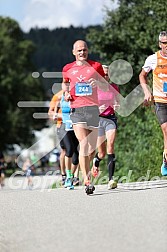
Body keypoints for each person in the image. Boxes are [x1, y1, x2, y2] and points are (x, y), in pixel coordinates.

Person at [62, 40, 108, 194]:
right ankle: (87, 181)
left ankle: (86, 173)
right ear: (74, 52)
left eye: (85, 50)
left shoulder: (96, 66)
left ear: (88, 51)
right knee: (84, 143)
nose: (82, 53)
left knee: (91, 148)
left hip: (93, 109)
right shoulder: (68, 68)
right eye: (79, 50)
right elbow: (65, 83)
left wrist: (97, 83)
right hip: (77, 109)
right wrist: (66, 93)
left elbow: (105, 84)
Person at [139, 31, 167, 176]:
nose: (166, 46)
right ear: (159, 44)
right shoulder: (153, 59)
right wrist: (147, 92)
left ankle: (165, 157)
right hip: (161, 101)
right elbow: (142, 76)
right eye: (164, 43)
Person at [91, 64, 120, 189]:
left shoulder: (114, 87)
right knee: (101, 153)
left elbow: (118, 102)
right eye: (103, 74)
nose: (106, 76)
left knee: (111, 146)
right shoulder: (94, 89)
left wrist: (118, 106)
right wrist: (97, 109)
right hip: (98, 121)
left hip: (110, 119)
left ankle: (111, 180)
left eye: (108, 74)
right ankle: (96, 161)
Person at [54, 92, 79, 189]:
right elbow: (55, 106)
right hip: (64, 126)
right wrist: (55, 114)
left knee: (76, 157)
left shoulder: (78, 96)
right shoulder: (60, 96)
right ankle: (67, 176)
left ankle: (71, 177)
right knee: (69, 150)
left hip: (76, 127)